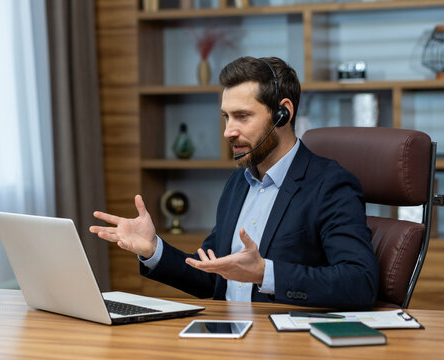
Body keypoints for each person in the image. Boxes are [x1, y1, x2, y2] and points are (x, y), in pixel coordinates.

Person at [90, 56, 379, 308]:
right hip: (225, 337)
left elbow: (359, 282)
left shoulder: (330, 184)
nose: (228, 131)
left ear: (283, 113)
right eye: (226, 117)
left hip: (283, 344)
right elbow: (211, 275)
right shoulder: (238, 183)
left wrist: (264, 273)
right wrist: (153, 249)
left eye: (242, 116)